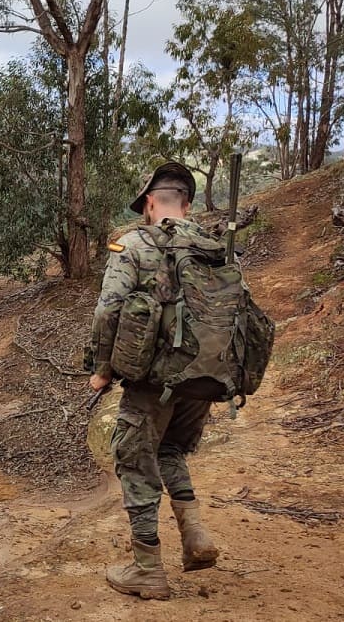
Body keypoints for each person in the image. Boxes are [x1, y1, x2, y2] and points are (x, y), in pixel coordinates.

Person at [88, 162, 223, 600]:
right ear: (186, 202)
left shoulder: (133, 244)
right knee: (170, 450)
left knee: (134, 461)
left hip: (151, 380)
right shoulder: (214, 247)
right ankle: (196, 534)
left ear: (149, 203)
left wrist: (103, 369)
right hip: (203, 378)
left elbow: (108, 311)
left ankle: (147, 569)